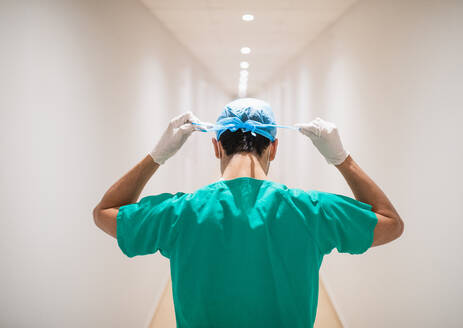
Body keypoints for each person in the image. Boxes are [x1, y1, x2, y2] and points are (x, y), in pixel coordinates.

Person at [93, 98, 404, 328]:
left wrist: (156, 156)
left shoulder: (180, 213)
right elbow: (391, 223)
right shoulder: (311, 211)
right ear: (274, 147)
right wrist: (342, 159)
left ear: (216, 146)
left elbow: (106, 212)